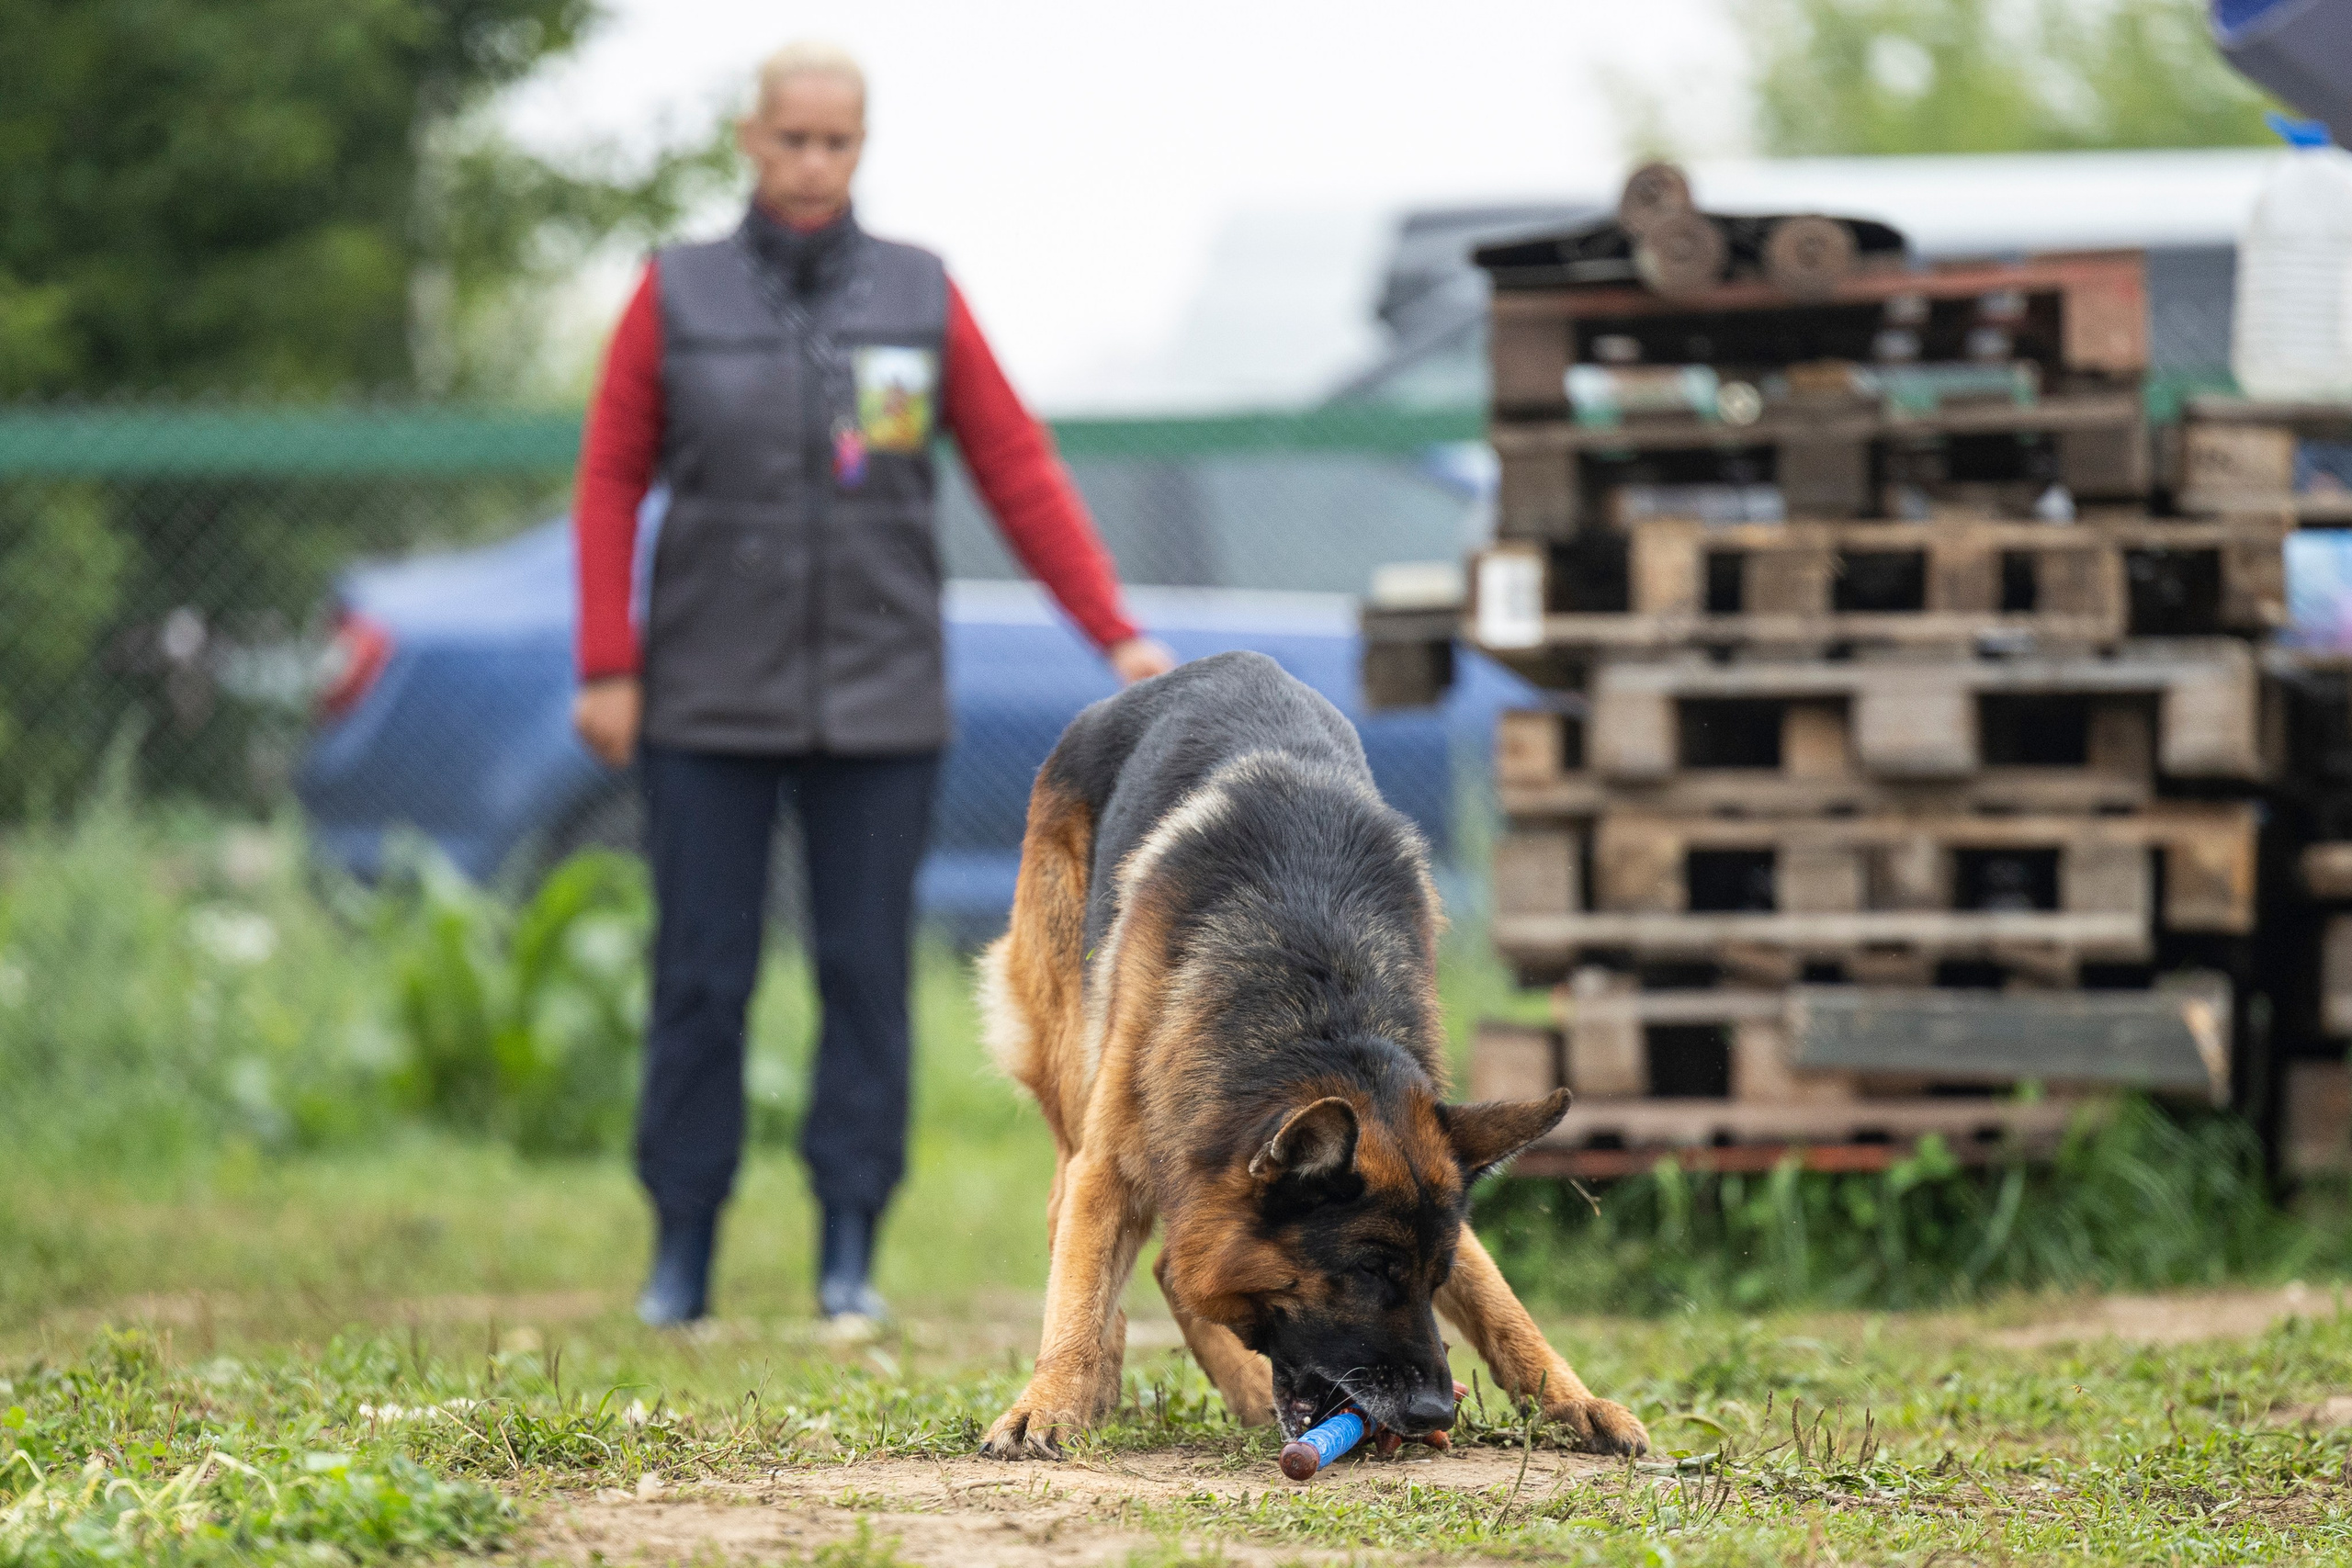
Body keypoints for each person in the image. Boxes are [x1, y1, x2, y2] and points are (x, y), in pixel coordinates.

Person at [570, 39, 1176, 1327]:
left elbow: (1016, 469)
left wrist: (1112, 631)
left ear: (861, 148)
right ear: (751, 140)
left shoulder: (919, 294)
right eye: (790, 138)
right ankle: (681, 1251)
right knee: (700, 975)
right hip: (704, 702)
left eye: (836, 142)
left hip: (880, 701)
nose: (811, 161)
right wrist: (607, 663)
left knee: (862, 974)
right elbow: (611, 477)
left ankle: (850, 1251)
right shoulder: (672, 294)